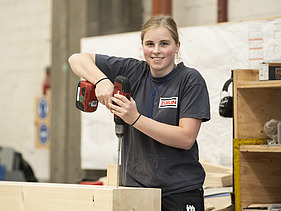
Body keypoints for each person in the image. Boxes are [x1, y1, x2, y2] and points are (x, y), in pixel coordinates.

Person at [69, 14, 210, 211]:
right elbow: (76, 59)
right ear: (142, 45)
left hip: (178, 192)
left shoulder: (190, 80)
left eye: (164, 44)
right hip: (135, 192)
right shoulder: (133, 71)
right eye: (150, 43)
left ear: (177, 46)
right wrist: (101, 81)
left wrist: (134, 118)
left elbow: (186, 138)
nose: (156, 51)